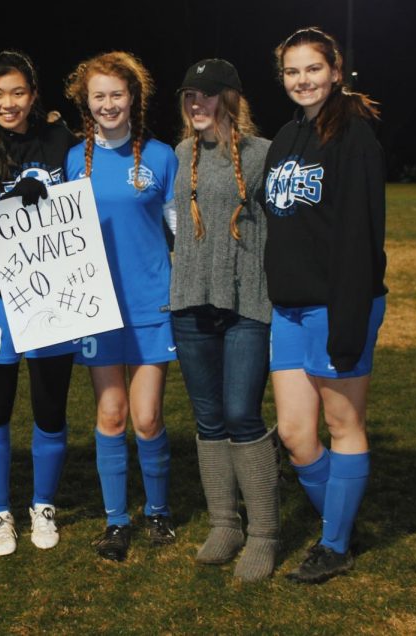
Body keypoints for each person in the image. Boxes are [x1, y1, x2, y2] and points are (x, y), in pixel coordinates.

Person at [263, 27, 387, 584]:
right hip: (290, 308)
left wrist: (348, 321)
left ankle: (335, 543)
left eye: (313, 69)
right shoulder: (288, 136)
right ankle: (341, 517)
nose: (302, 80)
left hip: (340, 304)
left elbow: (360, 237)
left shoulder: (354, 135)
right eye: (292, 71)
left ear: (335, 70)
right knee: (294, 432)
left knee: (343, 423)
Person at [0, 50, 79, 556]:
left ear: (34, 94)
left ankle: (43, 504)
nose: (8, 104)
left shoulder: (62, 142)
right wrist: (11, 201)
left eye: (18, 92)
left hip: (54, 293)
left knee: (50, 408)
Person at [64, 51, 178, 562]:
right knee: (111, 413)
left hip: (152, 303)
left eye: (117, 94)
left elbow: (179, 231)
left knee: (147, 417)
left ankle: (158, 511)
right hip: (96, 309)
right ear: (86, 103)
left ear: (134, 98)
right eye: (99, 96)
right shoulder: (73, 159)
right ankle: (116, 521)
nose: (108, 104)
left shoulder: (161, 156)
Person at [171, 59, 278, 581]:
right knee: (208, 419)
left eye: (208, 96)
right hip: (189, 305)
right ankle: (224, 524)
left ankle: (263, 533)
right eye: (191, 95)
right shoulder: (180, 154)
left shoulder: (262, 155)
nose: (197, 104)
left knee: (242, 413)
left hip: (245, 306)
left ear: (231, 99)